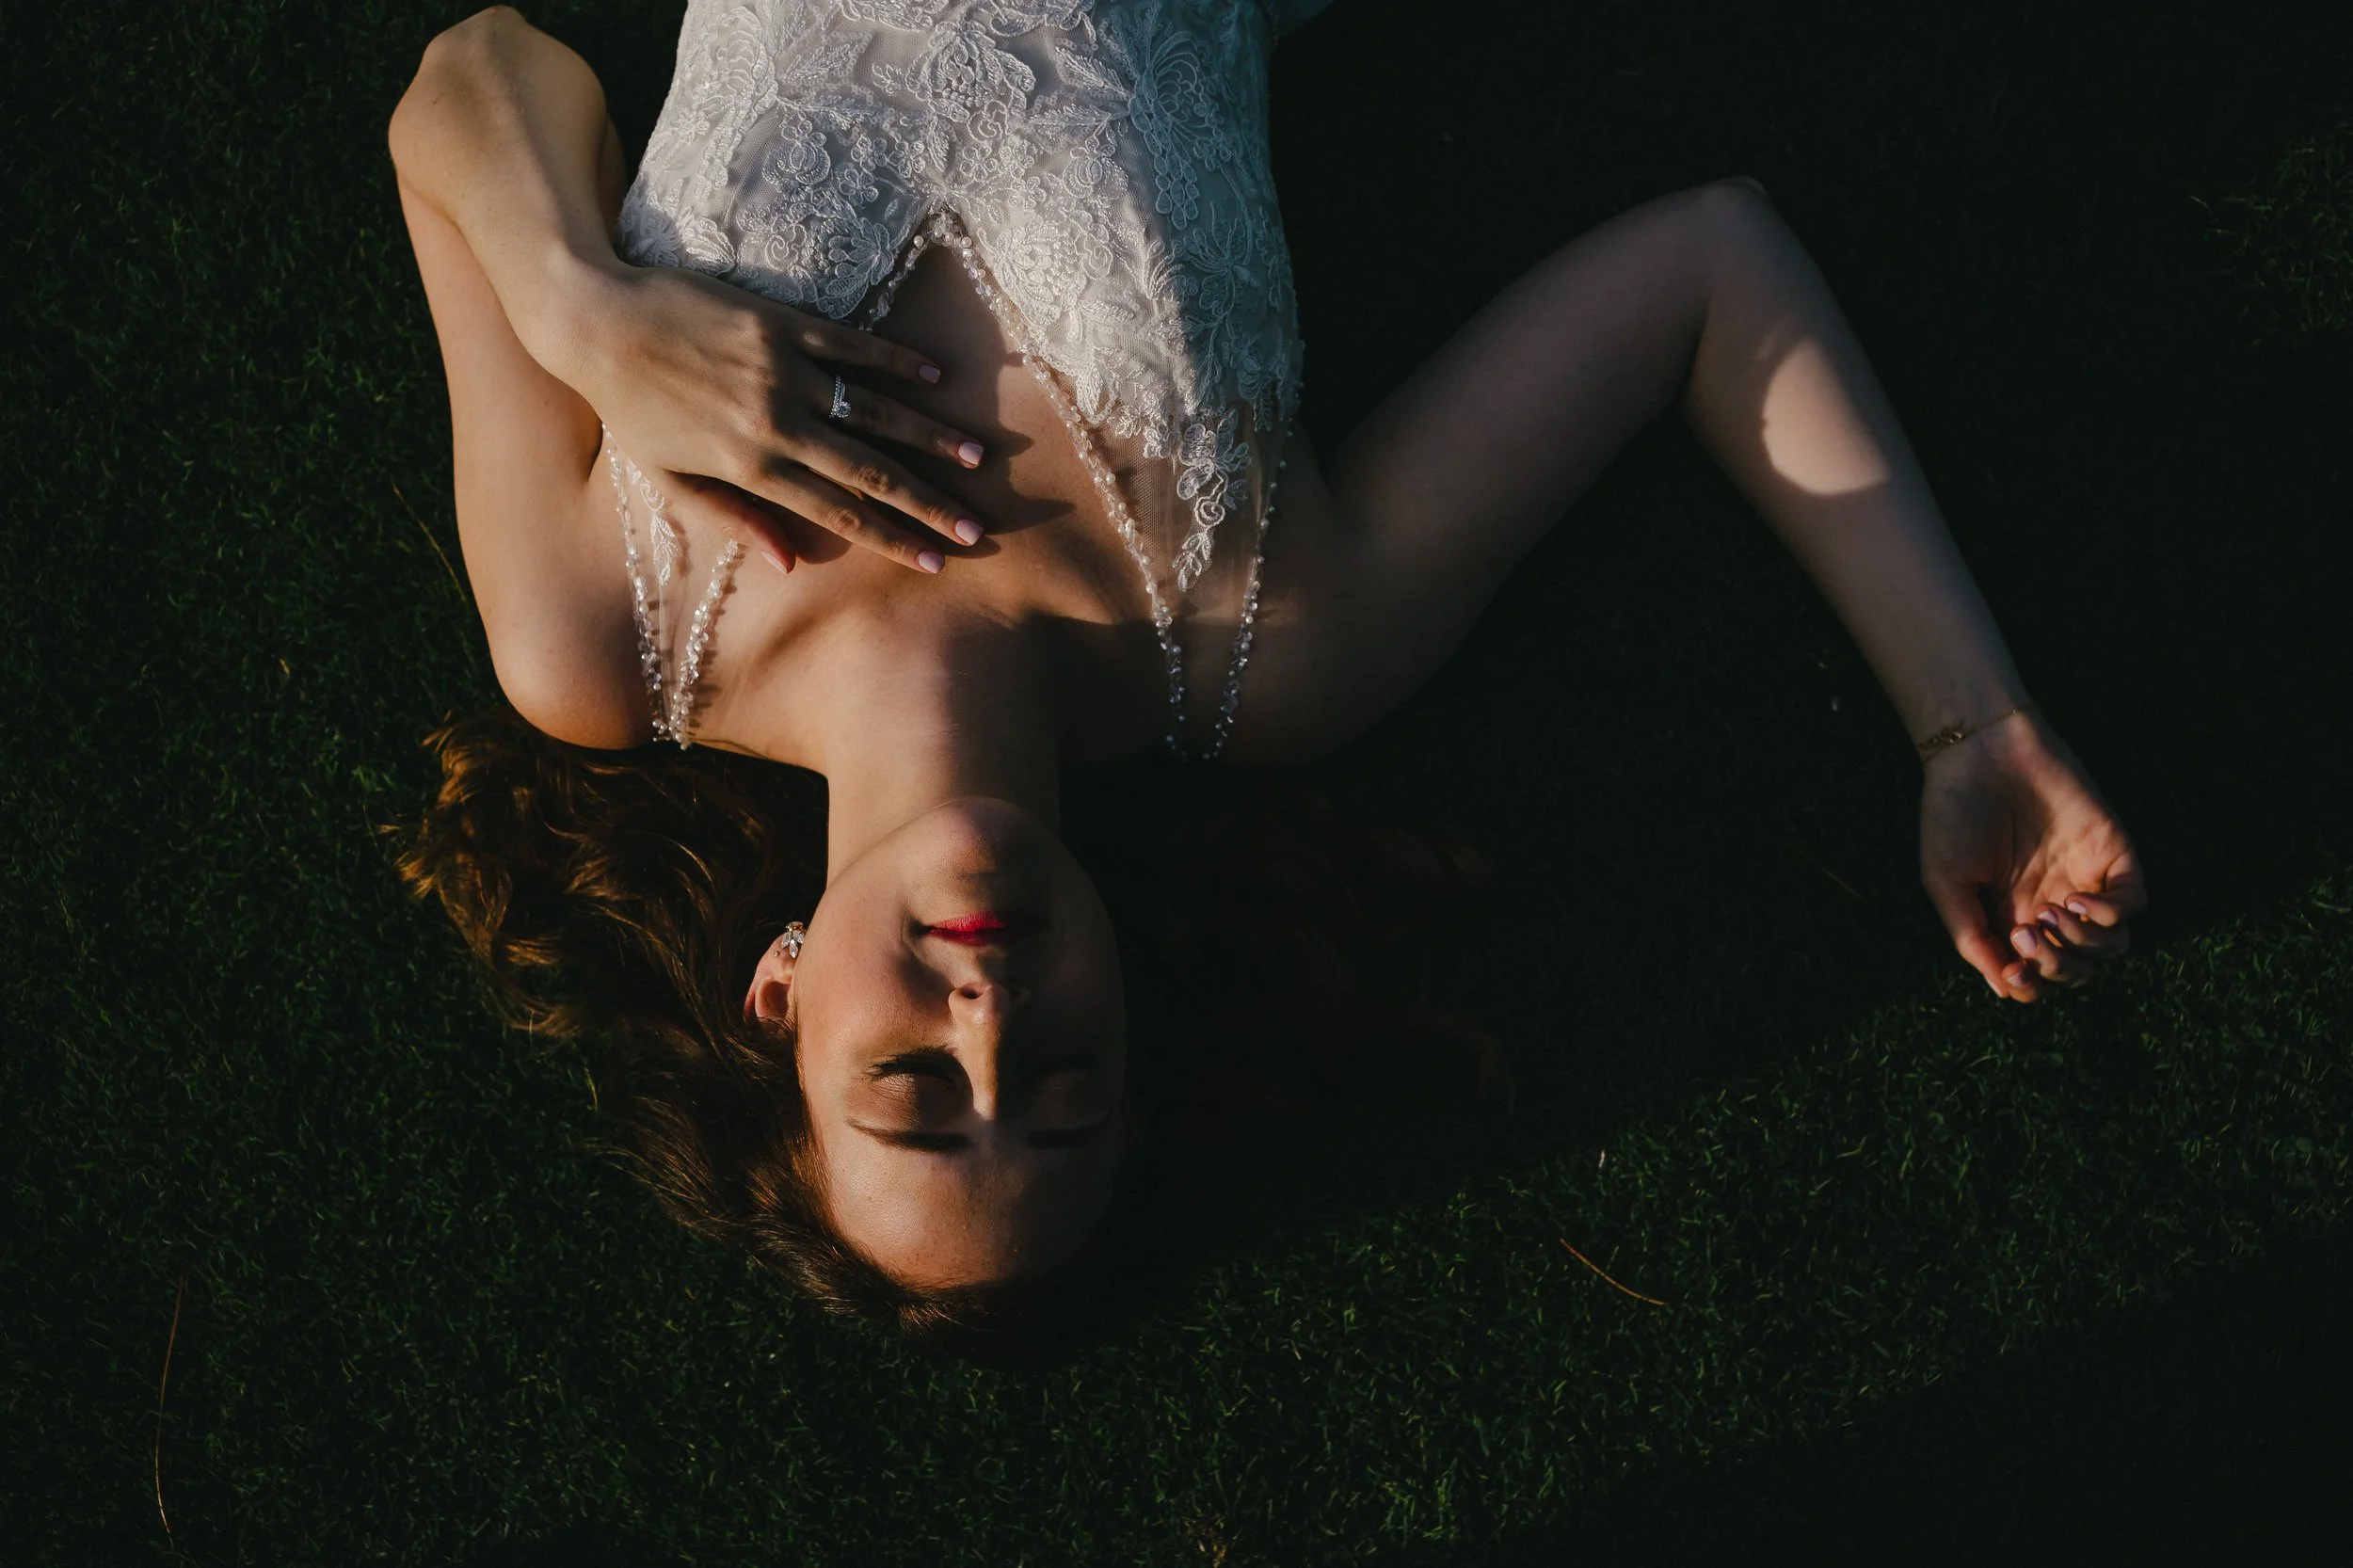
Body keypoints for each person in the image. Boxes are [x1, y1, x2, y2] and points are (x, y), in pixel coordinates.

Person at [388, 1, 2146, 1349]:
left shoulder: (597, 639)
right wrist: (1969, 720)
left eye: (915, 1086)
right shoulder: (1273, 642)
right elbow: (1708, 273)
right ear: (1130, 1005)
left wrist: (589, 317)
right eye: (1066, 1077)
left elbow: (470, 76)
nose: (992, 1019)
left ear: (778, 993)